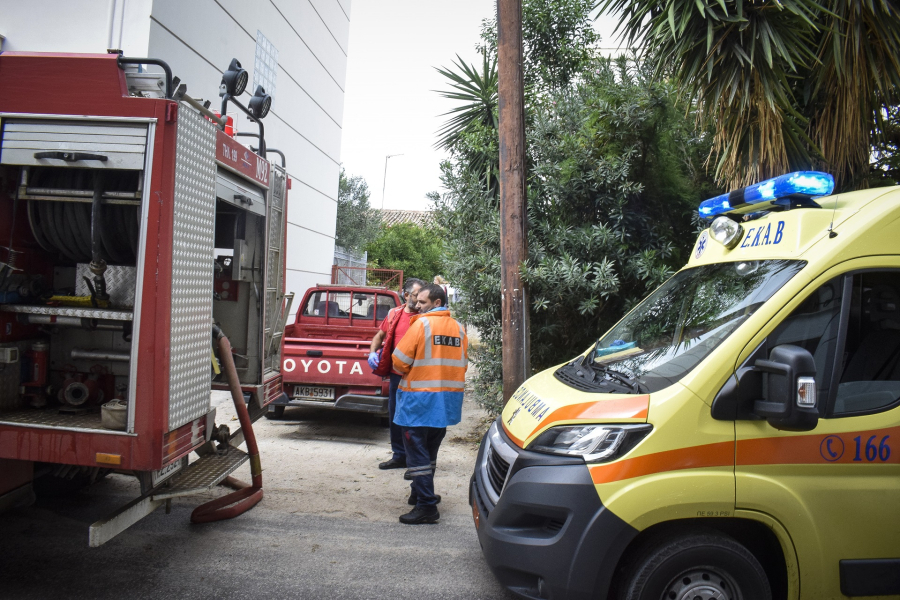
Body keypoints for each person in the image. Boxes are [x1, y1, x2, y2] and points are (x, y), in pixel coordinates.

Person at [391, 283, 468, 524]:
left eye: (422, 302)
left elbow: (399, 361)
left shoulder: (421, 325)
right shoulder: (459, 328)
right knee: (429, 452)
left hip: (418, 401)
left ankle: (426, 505)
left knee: (417, 454)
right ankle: (419, 493)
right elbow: (463, 364)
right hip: (445, 403)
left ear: (437, 303)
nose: (417, 306)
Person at [369, 277, 425, 471]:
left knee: (415, 420)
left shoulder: (426, 318)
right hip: (396, 376)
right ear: (406, 295)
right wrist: (372, 353)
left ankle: (416, 461)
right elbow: (379, 336)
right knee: (395, 417)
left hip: (418, 377)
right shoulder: (394, 314)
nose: (420, 300)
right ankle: (399, 455)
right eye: (417, 295)